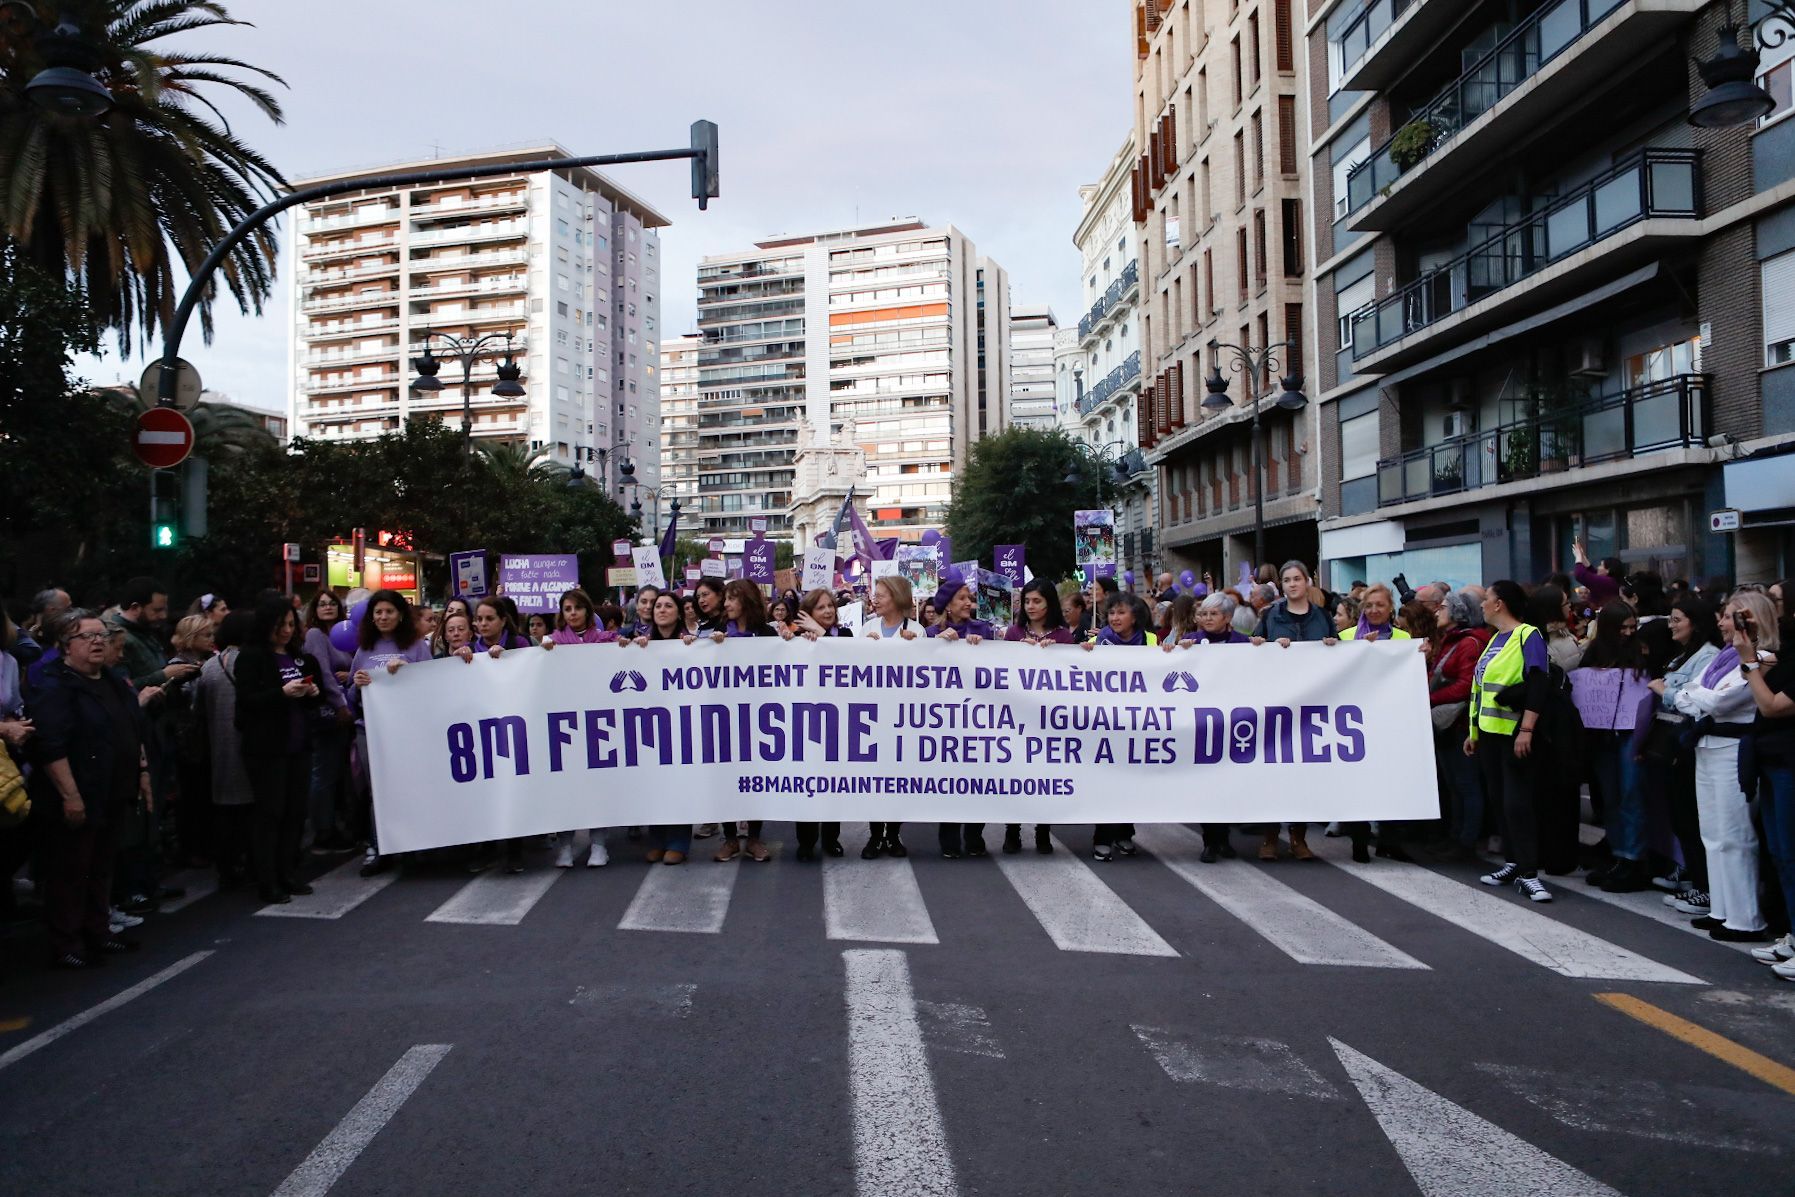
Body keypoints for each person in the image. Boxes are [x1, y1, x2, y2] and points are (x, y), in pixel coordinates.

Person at [27, 611, 151, 968]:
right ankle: (67, 941)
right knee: (71, 869)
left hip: (113, 790)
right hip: (78, 793)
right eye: (87, 637)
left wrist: (141, 773)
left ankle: (98, 931)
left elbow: (133, 728)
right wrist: (70, 796)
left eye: (102, 635)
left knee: (100, 865)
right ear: (66, 647)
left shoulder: (112, 680)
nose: (98, 641)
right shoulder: (55, 685)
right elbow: (51, 746)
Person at [1670, 592, 1773, 941]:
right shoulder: (1725, 659)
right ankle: (1723, 911)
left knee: (1735, 835)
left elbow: (1719, 699)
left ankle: (1746, 918)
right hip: (1708, 746)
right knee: (1712, 834)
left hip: (1734, 749)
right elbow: (1688, 695)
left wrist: (1694, 696)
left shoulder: (1763, 658)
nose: (1722, 623)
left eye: (1730, 617)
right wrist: (1695, 696)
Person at [1469, 580, 1555, 902]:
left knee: (1517, 804)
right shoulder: (1495, 639)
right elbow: (1480, 690)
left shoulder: (1527, 635)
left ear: (1499, 604)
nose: (1481, 604)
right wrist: (1474, 733)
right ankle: (1513, 862)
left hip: (1514, 735)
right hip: (1490, 737)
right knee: (1499, 801)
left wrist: (1527, 729)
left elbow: (1538, 682)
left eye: (1486, 599)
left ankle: (1530, 874)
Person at [235, 596, 323, 904]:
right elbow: (246, 702)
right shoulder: (251, 657)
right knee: (270, 814)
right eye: (280, 625)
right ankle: (267, 880)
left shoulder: (299, 657)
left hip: (298, 745)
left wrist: (311, 692)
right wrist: (281, 693)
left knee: (295, 813)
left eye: (290, 624)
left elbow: (316, 698)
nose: (286, 631)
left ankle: (288, 872)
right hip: (267, 749)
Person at [1251, 562, 1336, 861]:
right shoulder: (1270, 615)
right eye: (1286, 580)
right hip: (1277, 703)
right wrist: (1262, 644)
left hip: (1312, 705)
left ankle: (1298, 837)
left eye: (1297, 579)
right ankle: (1270, 837)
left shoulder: (1322, 617)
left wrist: (1331, 645)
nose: (1291, 584)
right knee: (1275, 771)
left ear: (1307, 581)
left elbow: (1339, 655)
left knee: (1304, 773)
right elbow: (1253, 651)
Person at [1644, 596, 1722, 915]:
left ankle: (1705, 887)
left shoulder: (1709, 658)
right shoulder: (1683, 655)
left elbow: (1695, 701)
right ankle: (1692, 875)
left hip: (1692, 744)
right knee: (1680, 815)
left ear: (1697, 622)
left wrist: (1666, 691)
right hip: (1673, 744)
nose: (1671, 625)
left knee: (1692, 816)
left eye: (1677, 619)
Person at [349, 591, 434, 877]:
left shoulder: (416, 647)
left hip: (406, 731)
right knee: (377, 791)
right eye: (378, 612)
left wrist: (410, 674)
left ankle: (410, 846)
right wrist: (357, 684)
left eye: (388, 611)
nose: (383, 617)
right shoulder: (364, 651)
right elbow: (351, 697)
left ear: (400, 615)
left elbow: (432, 687)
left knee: (406, 787)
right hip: (369, 730)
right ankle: (378, 848)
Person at [1735, 591, 1795, 976]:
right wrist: (1750, 647)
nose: (1770, 609)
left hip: (1789, 764)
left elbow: (1771, 705)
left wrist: (1747, 661)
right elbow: (1762, 667)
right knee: (1780, 854)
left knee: (1791, 853)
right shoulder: (1784, 651)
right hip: (1772, 762)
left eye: (1777, 600)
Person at [540, 589, 619, 868]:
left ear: (587, 611)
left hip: (598, 723)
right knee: (566, 786)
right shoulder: (553, 641)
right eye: (567, 609)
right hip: (565, 725)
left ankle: (599, 844)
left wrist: (634, 644)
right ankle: (565, 845)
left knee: (597, 785)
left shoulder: (605, 639)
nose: (572, 613)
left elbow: (628, 651)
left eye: (577, 608)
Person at [1575, 602, 1651, 892]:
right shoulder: (1595, 652)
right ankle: (1620, 855)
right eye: (1623, 628)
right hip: (1602, 734)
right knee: (1611, 797)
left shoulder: (1641, 650)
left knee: (1631, 793)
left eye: (1633, 628)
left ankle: (1634, 858)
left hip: (1632, 733)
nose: (1629, 633)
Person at [712, 580, 784, 864]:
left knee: (756, 780)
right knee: (726, 778)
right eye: (725, 599)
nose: (726, 604)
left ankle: (754, 838)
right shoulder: (718, 634)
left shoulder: (766, 634)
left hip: (759, 720)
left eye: (732, 599)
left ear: (747, 601)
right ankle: (729, 839)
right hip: (724, 718)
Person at [1001, 578, 1074, 855]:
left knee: (1046, 776)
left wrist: (1084, 652)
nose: (1031, 606)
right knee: (1016, 775)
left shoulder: (1064, 637)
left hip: (1049, 720)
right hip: (1017, 718)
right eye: (1027, 601)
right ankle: (1013, 830)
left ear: (1049, 603)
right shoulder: (1013, 632)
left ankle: (1043, 831)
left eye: (1037, 601)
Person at [1085, 592, 1157, 861]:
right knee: (1106, 781)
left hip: (1137, 723)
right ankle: (1102, 837)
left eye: (1121, 612)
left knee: (1131, 782)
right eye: (1111, 613)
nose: (1115, 618)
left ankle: (1125, 833)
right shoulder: (1097, 641)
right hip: (1105, 723)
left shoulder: (1151, 641)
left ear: (1135, 616)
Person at [928, 568, 993, 859]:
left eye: (970, 597)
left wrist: (983, 649)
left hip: (978, 719)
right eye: (962, 598)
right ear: (948, 605)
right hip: (944, 720)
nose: (968, 603)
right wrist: (935, 645)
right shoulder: (931, 634)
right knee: (950, 781)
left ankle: (975, 836)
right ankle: (949, 838)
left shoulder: (985, 630)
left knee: (978, 779)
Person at [1422, 591, 1491, 863]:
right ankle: (1455, 837)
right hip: (1448, 724)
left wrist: (1429, 698)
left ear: (1459, 612)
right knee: (1454, 784)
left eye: (1444, 606)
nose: (1438, 610)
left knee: (1466, 784)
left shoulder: (1469, 644)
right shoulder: (1451, 641)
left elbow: (1466, 684)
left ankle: (1466, 841)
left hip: (1460, 725)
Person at [627, 591, 694, 864]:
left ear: (679, 613)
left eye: (668, 606)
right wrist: (626, 648)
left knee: (677, 782)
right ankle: (657, 838)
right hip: (650, 723)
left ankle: (678, 841)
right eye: (657, 606)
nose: (661, 610)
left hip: (682, 723)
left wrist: (697, 646)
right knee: (653, 782)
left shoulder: (689, 642)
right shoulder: (642, 644)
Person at [192, 612, 256, 886]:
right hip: (250, 743)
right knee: (249, 809)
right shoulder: (254, 663)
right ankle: (247, 862)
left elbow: (198, 709)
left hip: (218, 746)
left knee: (224, 809)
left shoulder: (209, 667)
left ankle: (226, 867)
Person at [791, 588, 853, 862]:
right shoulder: (796, 638)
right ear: (807, 613)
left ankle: (831, 839)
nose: (828, 611)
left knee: (834, 784)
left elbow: (849, 661)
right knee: (806, 782)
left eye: (831, 606)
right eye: (820, 608)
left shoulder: (847, 636)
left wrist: (823, 635)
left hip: (839, 721)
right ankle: (806, 840)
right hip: (806, 720)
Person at [861, 574, 920, 859]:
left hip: (901, 717)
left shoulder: (917, 630)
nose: (875, 598)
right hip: (871, 717)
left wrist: (914, 647)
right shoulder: (868, 628)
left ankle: (893, 834)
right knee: (874, 779)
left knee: (896, 779)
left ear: (895, 598)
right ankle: (875, 835)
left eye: (881, 594)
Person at [1338, 583, 1410, 642]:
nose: (1374, 610)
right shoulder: (1343, 636)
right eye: (1368, 606)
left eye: (1380, 605)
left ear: (1391, 607)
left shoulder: (1404, 638)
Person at [1571, 540, 1623, 612]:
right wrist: (1582, 556)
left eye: (1601, 565)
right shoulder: (1611, 581)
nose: (1598, 567)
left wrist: (1578, 557)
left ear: (1608, 570)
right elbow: (1593, 572)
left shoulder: (1608, 582)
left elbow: (1580, 574)